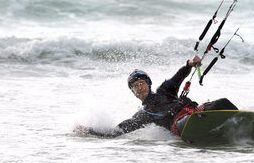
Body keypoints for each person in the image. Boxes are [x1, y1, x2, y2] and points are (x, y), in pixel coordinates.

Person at [75, 55, 238, 137]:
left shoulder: (165, 90)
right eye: (135, 86)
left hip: (194, 112)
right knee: (192, 120)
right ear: (133, 92)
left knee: (222, 102)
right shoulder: (142, 115)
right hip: (181, 124)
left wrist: (189, 64)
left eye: (142, 83)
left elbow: (179, 76)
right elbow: (118, 131)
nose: (139, 87)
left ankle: (241, 123)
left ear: (149, 84)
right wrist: (90, 131)